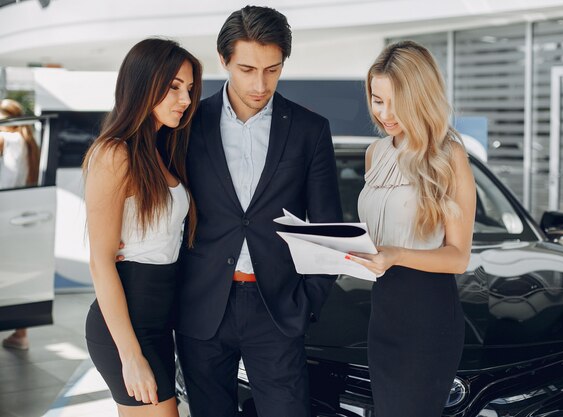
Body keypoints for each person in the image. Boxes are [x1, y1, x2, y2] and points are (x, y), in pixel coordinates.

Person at [174, 6, 343, 417]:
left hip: (278, 308)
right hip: (202, 306)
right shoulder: (188, 123)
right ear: (223, 60)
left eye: (272, 69)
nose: (260, 83)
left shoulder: (310, 129)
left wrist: (308, 302)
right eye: (247, 69)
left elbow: (328, 228)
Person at [349, 41, 475, 417]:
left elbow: (458, 258)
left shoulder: (448, 155)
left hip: (427, 318)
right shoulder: (375, 152)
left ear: (420, 98)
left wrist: (395, 254)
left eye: (395, 102)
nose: (385, 114)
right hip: (383, 313)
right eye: (377, 100)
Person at [83, 38, 201, 416]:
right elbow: (101, 261)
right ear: (143, 84)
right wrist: (130, 355)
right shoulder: (114, 154)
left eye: (189, 88)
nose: (185, 99)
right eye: (173, 87)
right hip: (127, 327)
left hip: (160, 321)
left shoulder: (160, 151)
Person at [1, 98, 41, 351]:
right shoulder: (30, 141)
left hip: (8, 211)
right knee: (21, 272)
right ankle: (21, 333)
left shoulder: (10, 140)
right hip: (27, 211)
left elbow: (8, 177)